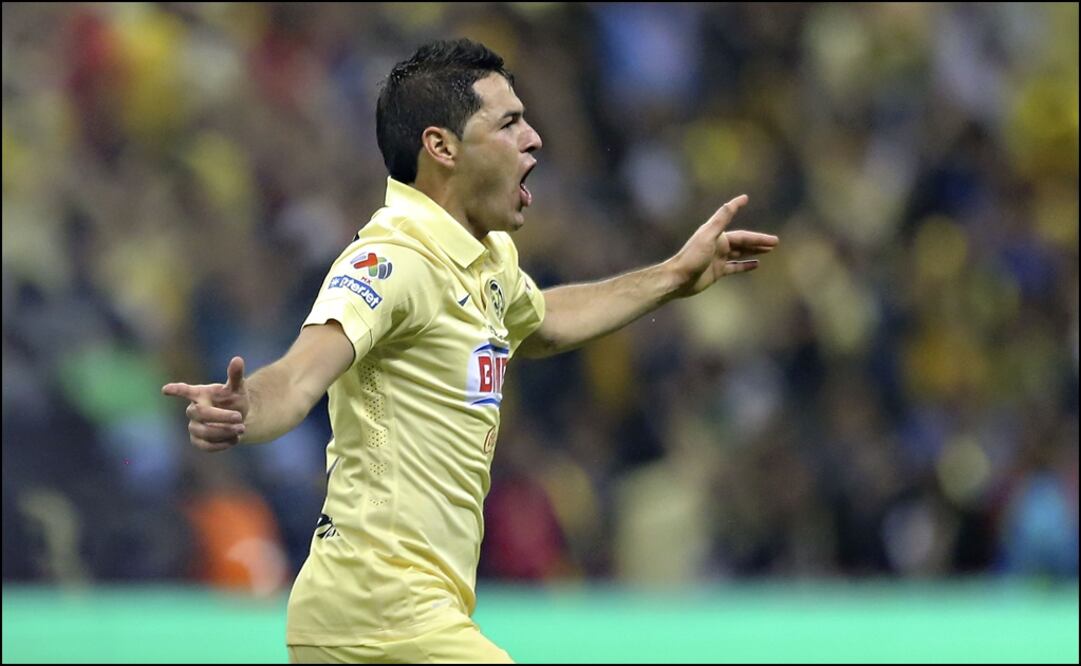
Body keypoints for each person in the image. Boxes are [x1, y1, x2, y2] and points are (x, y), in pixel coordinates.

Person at [162, 38, 778, 664]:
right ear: (442, 146)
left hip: (400, 612)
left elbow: (542, 323)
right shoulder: (394, 260)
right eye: (509, 122)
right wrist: (244, 408)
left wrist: (673, 276)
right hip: (380, 610)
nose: (534, 139)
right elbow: (298, 377)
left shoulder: (486, 260)